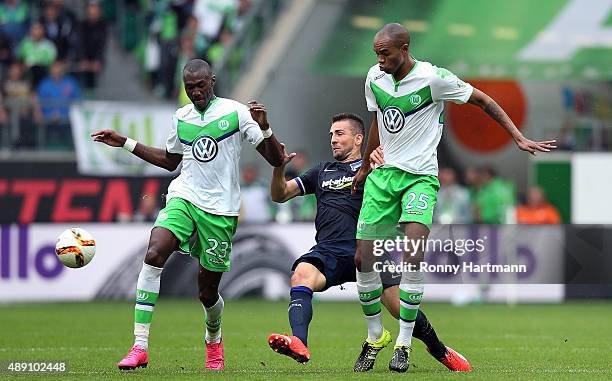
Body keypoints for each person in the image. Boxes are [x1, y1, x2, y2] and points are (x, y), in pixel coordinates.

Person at [352, 23, 557, 373]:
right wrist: (364, 167)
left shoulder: (434, 78)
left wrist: (517, 137)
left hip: (420, 178)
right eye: (376, 52)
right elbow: (377, 123)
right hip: (383, 177)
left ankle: (403, 343)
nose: (379, 58)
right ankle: (375, 337)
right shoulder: (375, 76)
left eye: (385, 52)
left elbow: (483, 100)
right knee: (362, 259)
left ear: (404, 48)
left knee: (413, 252)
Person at [91, 59, 283, 371]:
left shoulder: (236, 113)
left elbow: (275, 158)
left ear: (213, 81)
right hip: (184, 195)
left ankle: (213, 339)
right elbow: (170, 162)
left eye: (200, 85)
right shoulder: (181, 117)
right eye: (189, 87)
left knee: (207, 292)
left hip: (220, 211)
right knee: (154, 253)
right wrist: (124, 142)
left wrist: (264, 125)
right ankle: (139, 346)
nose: (195, 92)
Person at [267, 113, 471, 371]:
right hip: (329, 251)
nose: (333, 139)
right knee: (300, 276)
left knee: (400, 308)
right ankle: (299, 342)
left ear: (359, 138)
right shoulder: (321, 171)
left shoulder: (377, 168)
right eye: (331, 134)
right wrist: (278, 166)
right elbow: (280, 194)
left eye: (340, 134)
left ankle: (439, 350)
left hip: (369, 249)